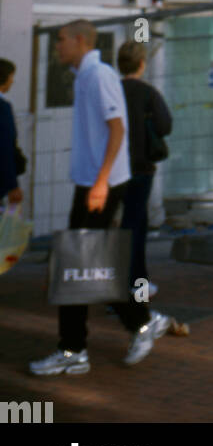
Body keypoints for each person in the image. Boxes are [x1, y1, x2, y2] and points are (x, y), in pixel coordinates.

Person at [30, 21, 162, 376]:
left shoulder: (99, 75)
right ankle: (109, 335)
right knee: (80, 265)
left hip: (99, 186)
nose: (56, 46)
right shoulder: (86, 75)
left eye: (60, 40)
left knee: (80, 265)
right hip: (91, 183)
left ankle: (90, 343)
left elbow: (118, 128)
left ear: (79, 40)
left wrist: (102, 183)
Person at [118, 41, 173, 306]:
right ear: (142, 64)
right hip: (141, 167)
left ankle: (114, 280)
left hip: (114, 168)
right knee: (136, 225)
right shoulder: (148, 93)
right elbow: (165, 126)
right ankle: (136, 283)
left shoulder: (112, 90)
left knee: (118, 225)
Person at [0, 58, 24, 205]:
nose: (12, 81)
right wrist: (13, 185)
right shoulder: (3, 108)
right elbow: (4, 148)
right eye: (11, 77)